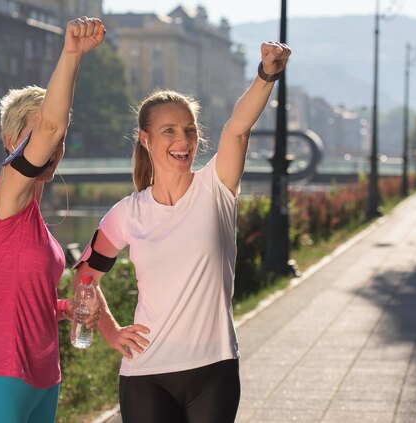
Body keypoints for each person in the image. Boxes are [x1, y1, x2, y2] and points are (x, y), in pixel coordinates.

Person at [71, 41, 291, 422]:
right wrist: (108, 330)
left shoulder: (216, 188)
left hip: (214, 368)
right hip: (145, 373)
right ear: (146, 139)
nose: (183, 140)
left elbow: (238, 128)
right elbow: (86, 275)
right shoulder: (127, 214)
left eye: (189, 130)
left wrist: (266, 74)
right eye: (169, 130)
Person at [0, 16, 105, 423]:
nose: (52, 144)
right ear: (11, 141)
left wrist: (67, 307)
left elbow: (28, 296)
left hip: (45, 379)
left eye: (58, 140)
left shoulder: (38, 227)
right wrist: (72, 55)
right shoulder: (2, 195)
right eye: (38, 135)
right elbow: (52, 121)